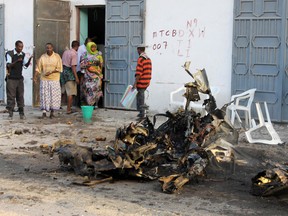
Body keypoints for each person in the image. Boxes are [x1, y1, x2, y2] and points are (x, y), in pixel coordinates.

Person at [5, 40, 33, 120]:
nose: (21, 48)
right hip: (11, 78)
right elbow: (8, 65)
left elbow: (25, 65)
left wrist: (30, 59)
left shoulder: (22, 55)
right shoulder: (10, 54)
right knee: (11, 96)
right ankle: (10, 114)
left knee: (20, 96)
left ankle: (21, 113)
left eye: (22, 47)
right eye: (19, 47)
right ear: (16, 46)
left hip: (19, 78)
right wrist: (17, 61)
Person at [34, 43, 63, 118]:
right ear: (45, 48)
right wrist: (35, 77)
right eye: (47, 48)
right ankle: (44, 112)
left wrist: (51, 72)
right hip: (44, 79)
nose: (49, 49)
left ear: (52, 48)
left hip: (55, 79)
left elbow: (59, 68)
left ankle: (52, 112)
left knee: (53, 96)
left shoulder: (57, 57)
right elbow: (38, 68)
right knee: (44, 96)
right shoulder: (42, 57)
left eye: (50, 48)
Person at [80, 41, 103, 107]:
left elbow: (101, 64)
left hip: (96, 76)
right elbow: (82, 65)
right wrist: (90, 67)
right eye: (92, 47)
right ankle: (89, 104)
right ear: (88, 47)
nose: (93, 48)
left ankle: (96, 104)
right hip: (88, 76)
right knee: (88, 90)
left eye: (94, 47)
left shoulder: (98, 54)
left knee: (97, 90)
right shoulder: (84, 55)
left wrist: (99, 72)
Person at [133, 44, 152, 119]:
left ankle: (142, 114)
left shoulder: (141, 59)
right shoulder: (148, 58)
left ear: (139, 49)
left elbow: (139, 73)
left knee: (140, 98)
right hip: (147, 80)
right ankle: (141, 113)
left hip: (142, 81)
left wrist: (135, 83)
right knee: (141, 96)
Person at [60, 40, 80, 114]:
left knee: (63, 90)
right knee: (71, 93)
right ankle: (69, 109)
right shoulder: (74, 54)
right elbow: (73, 66)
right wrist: (76, 77)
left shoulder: (66, 52)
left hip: (63, 72)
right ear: (77, 46)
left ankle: (59, 106)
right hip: (69, 73)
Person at [76, 37, 92, 107]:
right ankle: (80, 103)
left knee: (88, 87)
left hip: (89, 71)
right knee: (81, 87)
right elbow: (79, 59)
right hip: (81, 70)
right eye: (88, 43)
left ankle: (88, 102)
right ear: (85, 43)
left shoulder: (91, 49)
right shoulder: (81, 48)